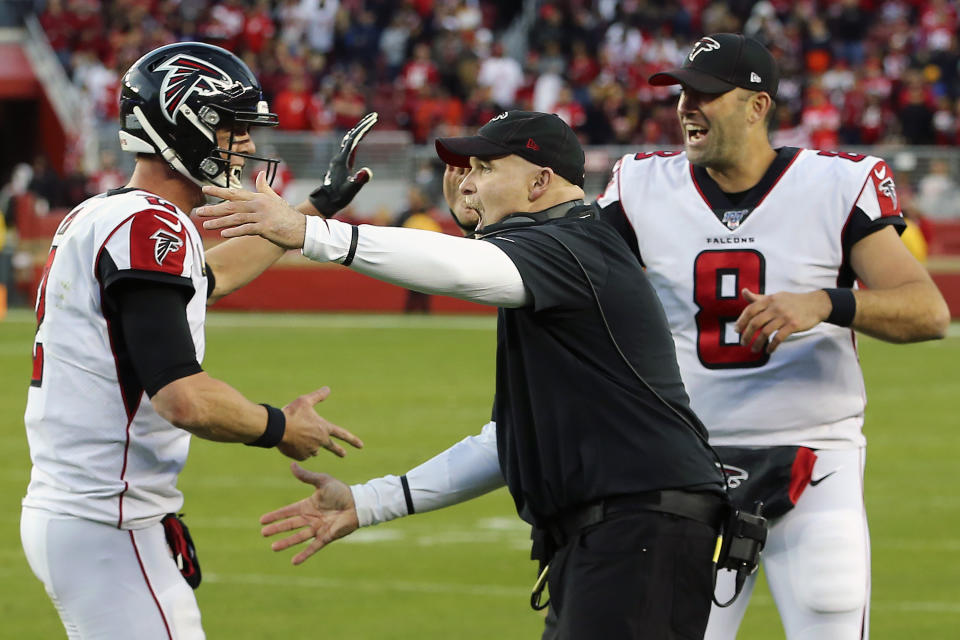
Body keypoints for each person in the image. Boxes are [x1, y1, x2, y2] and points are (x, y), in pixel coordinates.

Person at [237, 34, 950, 640]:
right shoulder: (636, 193)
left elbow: (928, 311)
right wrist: (375, 500)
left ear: (759, 105)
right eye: (680, 92)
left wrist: (828, 303)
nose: (685, 107)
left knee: (828, 605)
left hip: (791, 456)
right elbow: (522, 297)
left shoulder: (834, 182)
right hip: (687, 461)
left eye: (705, 92)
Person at [200, 110, 728, 639]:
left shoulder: (571, 245)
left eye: (484, 168)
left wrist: (310, 232)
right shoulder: (564, 249)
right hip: (621, 529)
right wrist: (371, 502)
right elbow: (513, 443)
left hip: (640, 527)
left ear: (540, 182)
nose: (466, 183)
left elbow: (467, 269)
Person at [19, 42, 365, 640]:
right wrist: (281, 426)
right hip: (107, 522)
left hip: (85, 514)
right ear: (180, 122)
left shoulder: (105, 213)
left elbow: (214, 276)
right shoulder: (151, 223)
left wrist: (312, 213)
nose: (247, 147)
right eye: (232, 128)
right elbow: (183, 397)